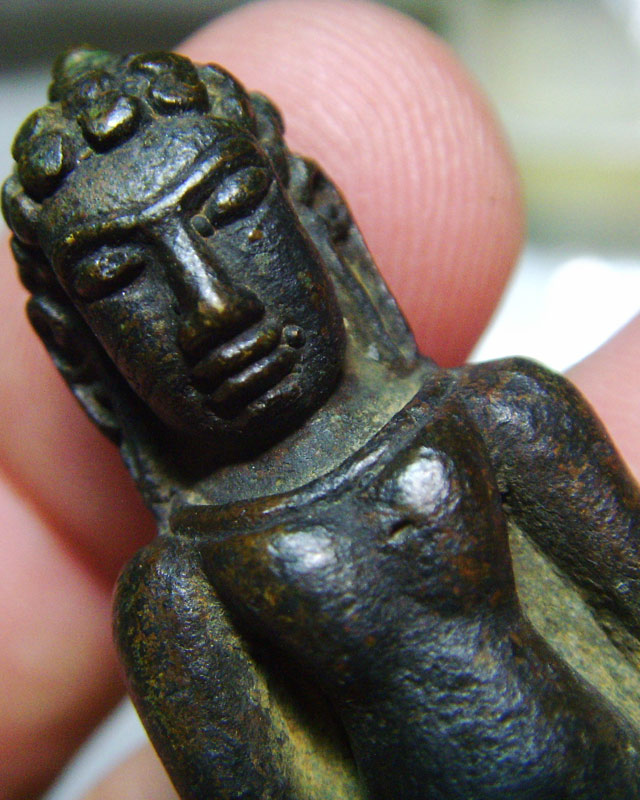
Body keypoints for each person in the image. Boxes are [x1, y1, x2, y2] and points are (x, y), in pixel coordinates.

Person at [2, 2, 640, 799]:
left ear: (317, 217)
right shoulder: (182, 591)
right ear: (83, 353)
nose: (213, 307)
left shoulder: (506, 414)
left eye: (231, 214)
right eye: (123, 279)